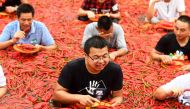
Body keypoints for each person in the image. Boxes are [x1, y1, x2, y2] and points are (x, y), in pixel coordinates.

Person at [52, 36, 123, 107]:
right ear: (86, 55)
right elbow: (57, 95)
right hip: (75, 105)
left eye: (105, 56)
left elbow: (118, 96)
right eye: (96, 57)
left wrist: (115, 102)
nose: (101, 61)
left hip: (99, 105)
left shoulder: (114, 70)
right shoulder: (72, 68)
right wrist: (79, 98)